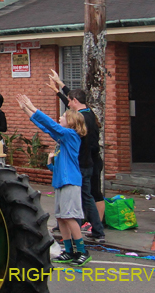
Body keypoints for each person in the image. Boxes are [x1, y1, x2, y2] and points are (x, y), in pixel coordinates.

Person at [15, 94, 90, 267]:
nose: (60, 118)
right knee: (62, 217)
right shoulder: (62, 140)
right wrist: (27, 111)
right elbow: (47, 128)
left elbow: (51, 125)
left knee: (70, 217)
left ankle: (82, 250)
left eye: (63, 117)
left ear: (71, 122)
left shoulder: (71, 135)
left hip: (71, 182)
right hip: (61, 182)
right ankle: (69, 250)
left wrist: (33, 107)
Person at [47, 70, 106, 243]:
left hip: (85, 162)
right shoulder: (86, 113)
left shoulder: (83, 119)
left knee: (87, 196)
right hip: (84, 162)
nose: (65, 113)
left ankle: (96, 230)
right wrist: (59, 88)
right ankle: (70, 224)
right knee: (80, 196)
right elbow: (71, 101)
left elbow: (72, 117)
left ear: (75, 102)